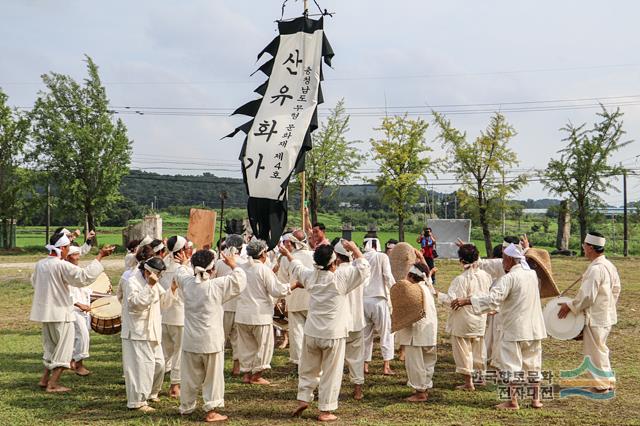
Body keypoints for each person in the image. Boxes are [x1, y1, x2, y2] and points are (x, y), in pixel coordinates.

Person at [280, 240, 370, 422]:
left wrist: (287, 254)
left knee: (307, 369)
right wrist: (353, 248)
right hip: (333, 333)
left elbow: (296, 267)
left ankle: (303, 399)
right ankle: (326, 410)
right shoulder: (340, 279)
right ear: (333, 262)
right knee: (331, 372)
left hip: (312, 332)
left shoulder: (311, 277)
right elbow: (364, 267)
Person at [451, 243, 546, 410]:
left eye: (503, 259)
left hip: (515, 329)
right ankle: (535, 399)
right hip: (535, 328)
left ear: (509, 259)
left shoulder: (508, 279)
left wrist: (467, 300)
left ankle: (513, 401)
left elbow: (492, 300)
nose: (502, 262)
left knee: (511, 365)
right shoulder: (531, 275)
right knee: (533, 364)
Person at [30, 232, 113, 392]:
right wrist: (100, 256)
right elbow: (83, 277)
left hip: (46, 313)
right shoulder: (61, 265)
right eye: (68, 248)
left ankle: (44, 379)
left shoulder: (40, 264)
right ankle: (53, 384)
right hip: (61, 312)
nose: (69, 251)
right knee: (65, 349)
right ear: (62, 248)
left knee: (51, 347)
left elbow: (35, 282)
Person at [174, 248, 247, 422]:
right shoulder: (217, 285)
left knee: (189, 377)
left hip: (191, 340)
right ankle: (211, 411)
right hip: (211, 341)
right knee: (213, 378)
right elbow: (240, 281)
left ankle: (186, 406)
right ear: (213, 269)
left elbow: (180, 273)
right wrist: (233, 264)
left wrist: (184, 264)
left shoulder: (187, 283)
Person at [557, 231, 621, 392]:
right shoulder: (609, 266)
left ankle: (600, 385)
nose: (583, 249)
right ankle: (607, 380)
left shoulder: (596, 269)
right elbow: (616, 290)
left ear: (591, 247)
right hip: (605, 315)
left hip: (596, 317)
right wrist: (608, 305)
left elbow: (587, 296)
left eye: (585, 246)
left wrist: (570, 306)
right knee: (600, 349)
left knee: (594, 351)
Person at [235, 240, 292, 385]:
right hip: (259, 315)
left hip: (242, 314)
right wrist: (294, 285)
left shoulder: (241, 268)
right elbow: (276, 290)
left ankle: (247, 374)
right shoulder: (263, 269)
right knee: (264, 345)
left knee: (246, 345)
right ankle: (256, 375)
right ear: (263, 253)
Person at [436, 244, 492, 391]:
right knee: (479, 350)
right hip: (480, 318)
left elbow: (452, 301)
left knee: (463, 351)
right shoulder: (486, 276)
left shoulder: (460, 279)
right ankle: (480, 379)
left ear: (461, 260)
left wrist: (437, 294)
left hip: (463, 320)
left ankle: (469, 383)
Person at [120, 257, 167, 412]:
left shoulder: (153, 281)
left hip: (152, 330)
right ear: (147, 271)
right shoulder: (132, 282)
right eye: (157, 274)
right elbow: (135, 304)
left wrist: (173, 290)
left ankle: (152, 393)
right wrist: (149, 286)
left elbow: (164, 301)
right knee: (140, 368)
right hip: (136, 331)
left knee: (159, 364)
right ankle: (137, 402)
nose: (158, 278)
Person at [395, 258, 438, 402]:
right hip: (429, 332)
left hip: (416, 333)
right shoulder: (426, 288)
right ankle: (424, 388)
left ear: (412, 277)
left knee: (416, 363)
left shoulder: (414, 290)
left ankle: (420, 392)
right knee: (427, 361)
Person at [334, 239, 368, 401]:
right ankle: (358, 390)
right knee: (356, 357)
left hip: (339, 323)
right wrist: (355, 249)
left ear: (337, 257)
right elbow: (364, 266)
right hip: (356, 320)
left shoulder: (335, 273)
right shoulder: (358, 272)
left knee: (334, 360)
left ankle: (333, 389)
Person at [276, 230, 313, 366]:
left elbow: (282, 280)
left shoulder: (287, 258)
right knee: (311, 332)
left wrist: (282, 299)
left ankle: (299, 363)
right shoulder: (314, 256)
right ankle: (311, 361)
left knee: (297, 332)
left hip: (295, 299)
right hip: (311, 299)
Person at [159, 235, 189, 398]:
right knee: (178, 353)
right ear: (182, 251)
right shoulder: (184, 269)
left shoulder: (163, 266)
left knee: (164, 353)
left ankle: (152, 381)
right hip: (179, 316)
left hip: (164, 315)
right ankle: (175, 386)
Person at [362, 237, 396, 375]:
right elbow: (387, 276)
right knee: (386, 333)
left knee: (365, 335)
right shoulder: (382, 257)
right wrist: (396, 291)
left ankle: (364, 366)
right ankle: (386, 366)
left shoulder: (360, 257)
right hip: (378, 299)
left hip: (363, 300)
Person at [215, 234, 247, 376]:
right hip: (238, 305)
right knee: (237, 339)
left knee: (220, 337)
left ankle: (218, 366)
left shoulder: (220, 263)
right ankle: (237, 367)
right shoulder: (245, 263)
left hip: (224, 305)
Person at [66, 245, 96, 376]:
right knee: (83, 336)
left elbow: (85, 290)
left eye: (78, 254)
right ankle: (79, 365)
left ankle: (71, 361)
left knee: (76, 337)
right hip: (73, 309)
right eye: (75, 254)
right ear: (67, 257)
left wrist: (103, 295)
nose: (78, 257)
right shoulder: (65, 271)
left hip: (82, 309)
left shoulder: (77, 270)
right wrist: (79, 305)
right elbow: (66, 293)